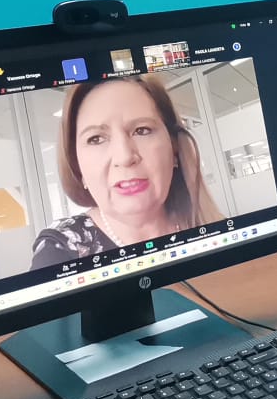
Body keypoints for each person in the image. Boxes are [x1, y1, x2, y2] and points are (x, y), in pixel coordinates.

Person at [30, 75, 224, 268]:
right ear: (78, 166)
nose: (124, 157)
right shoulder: (60, 249)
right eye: (96, 139)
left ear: (174, 149)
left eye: (142, 130)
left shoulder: (211, 229)